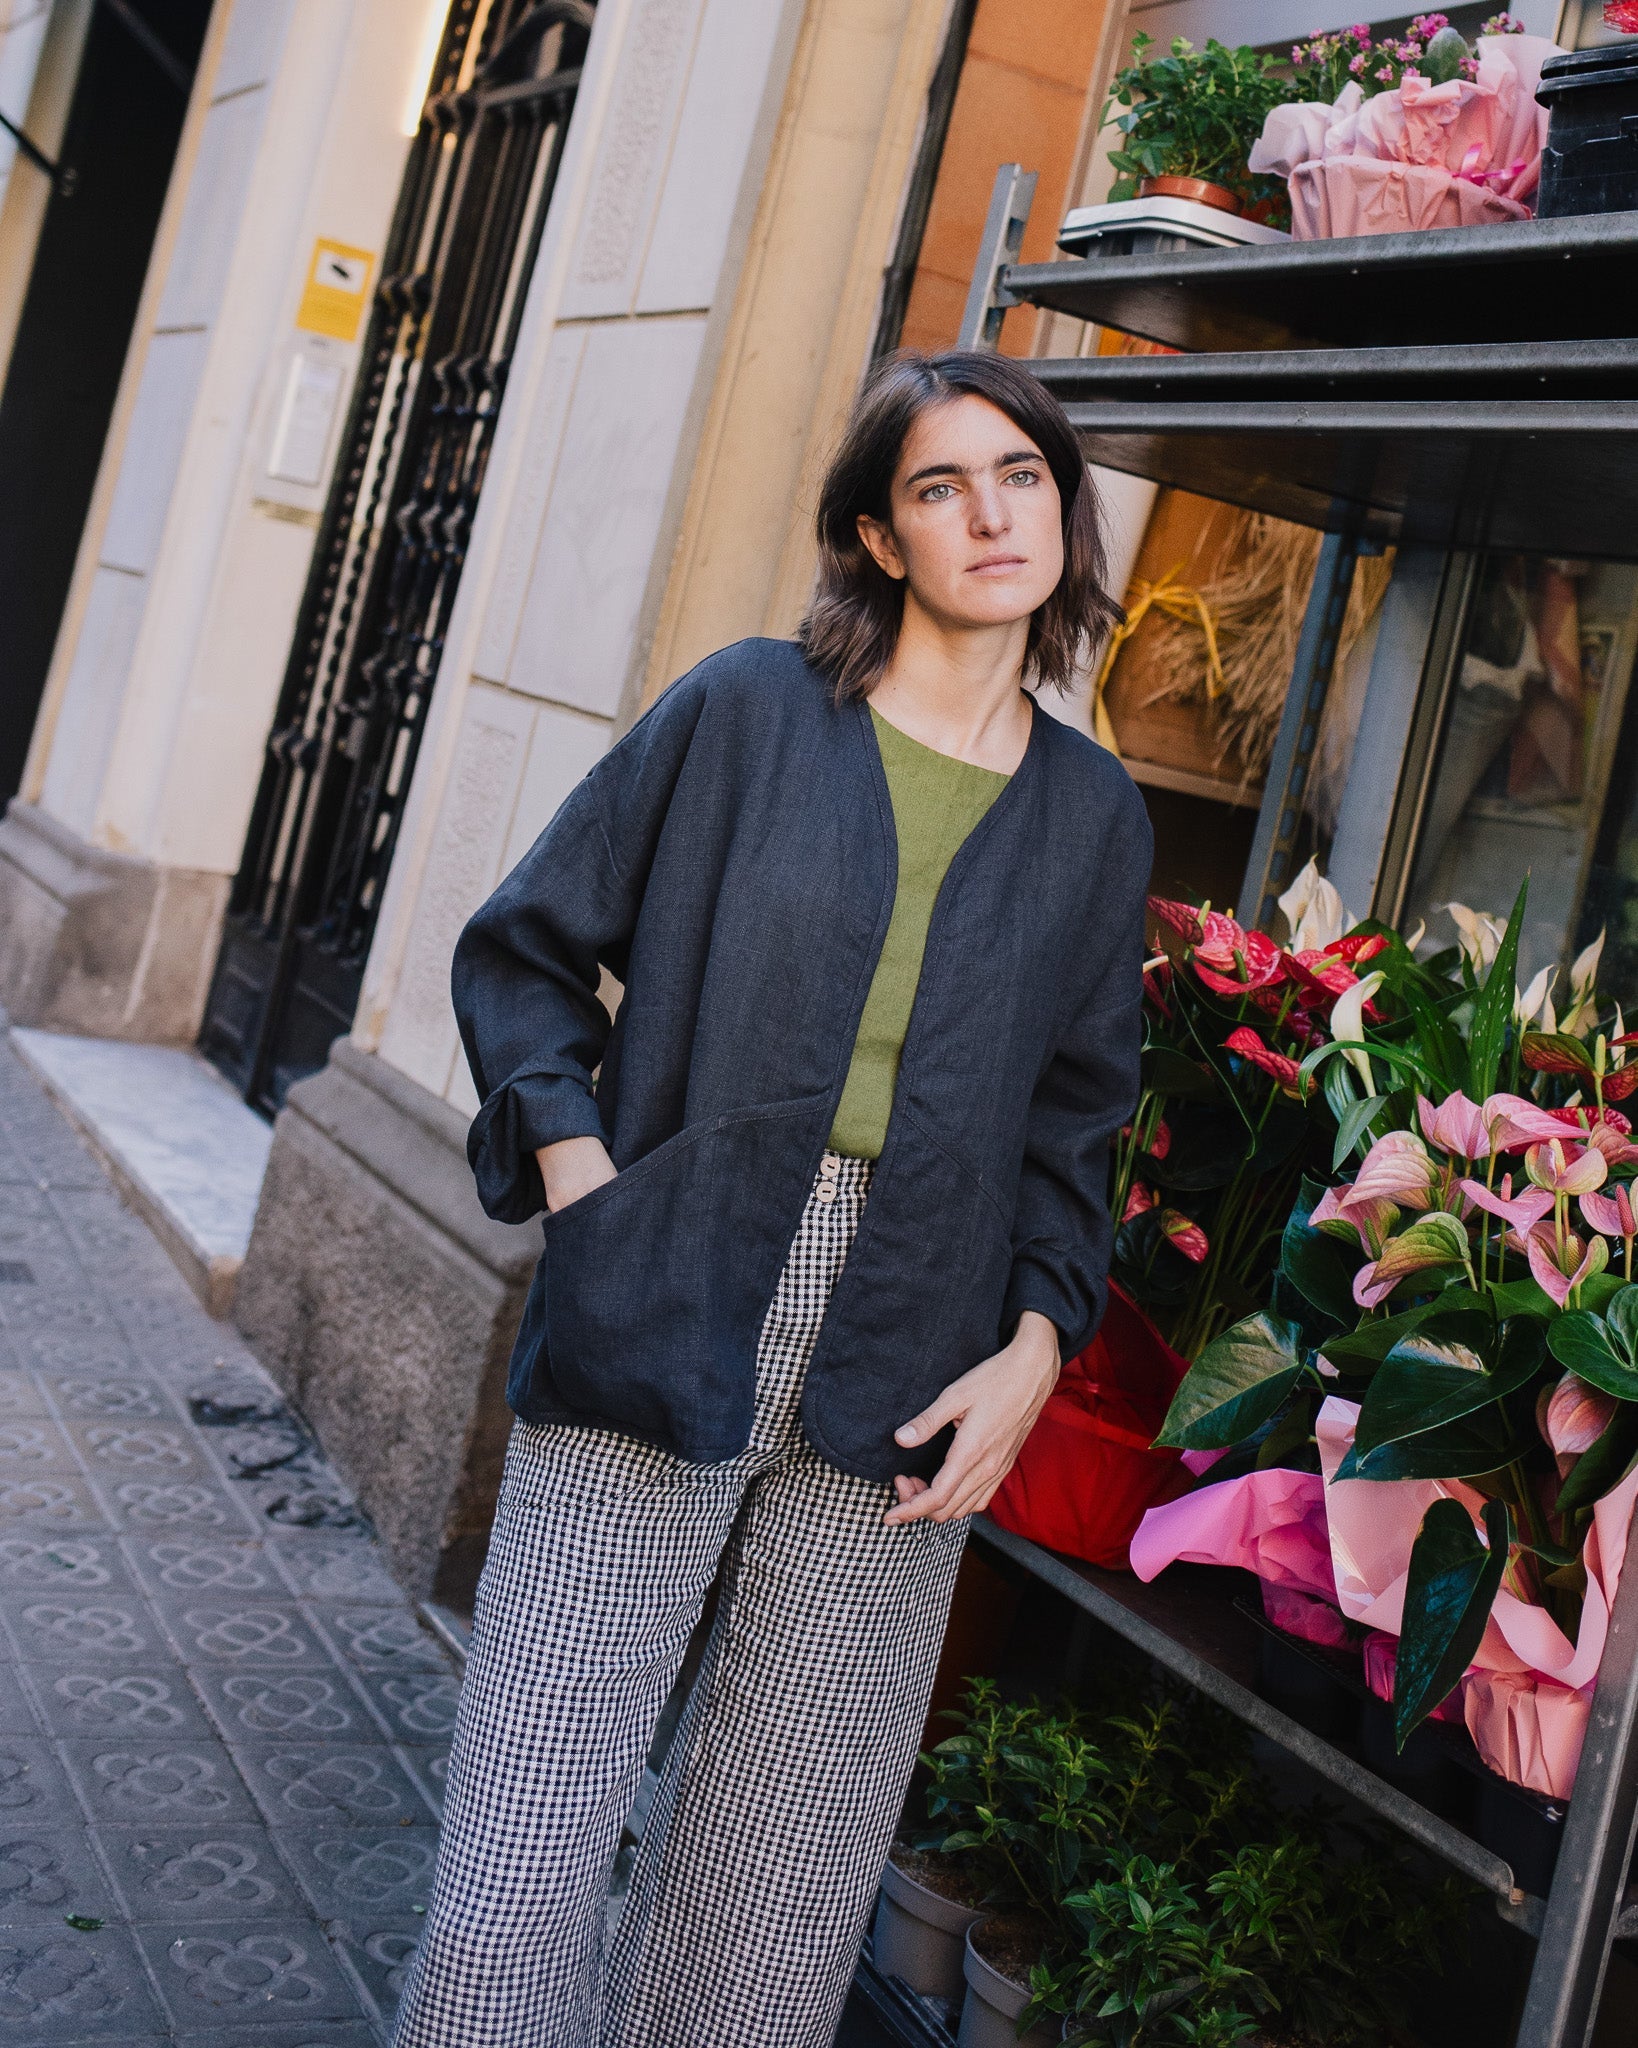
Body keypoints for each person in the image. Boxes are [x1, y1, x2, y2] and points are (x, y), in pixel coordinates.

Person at [392, 347, 1151, 2048]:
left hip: (924, 1348)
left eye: (1020, 475)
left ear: (1062, 507)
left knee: (777, 1904)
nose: (989, 515)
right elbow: (523, 954)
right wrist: (588, 1189)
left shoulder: (1095, 817)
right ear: (880, 537)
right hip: (670, 1271)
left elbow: (1076, 1122)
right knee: (521, 1855)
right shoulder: (745, 712)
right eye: (939, 486)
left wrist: (1036, 1349)